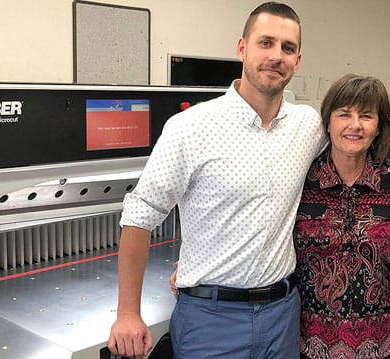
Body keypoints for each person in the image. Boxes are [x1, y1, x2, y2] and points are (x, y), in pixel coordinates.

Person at [107, 2, 326, 358]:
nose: (276, 56)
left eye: (288, 48)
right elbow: (140, 214)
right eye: (266, 43)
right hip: (211, 319)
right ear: (242, 48)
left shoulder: (308, 126)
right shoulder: (191, 128)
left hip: (283, 314)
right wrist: (128, 313)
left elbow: (361, 136)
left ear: (298, 60)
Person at [294, 74, 390, 359]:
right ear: (328, 123)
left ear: (379, 127)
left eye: (366, 116)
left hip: (383, 345)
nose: (354, 125)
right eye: (344, 114)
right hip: (308, 345)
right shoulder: (301, 180)